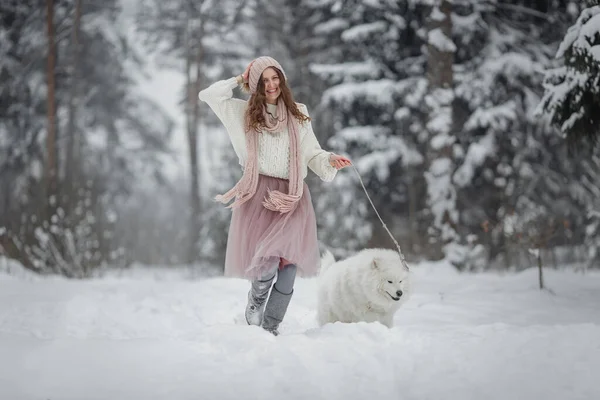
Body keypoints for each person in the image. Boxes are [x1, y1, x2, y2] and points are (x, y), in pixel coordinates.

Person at [198, 56, 351, 335]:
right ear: (255, 84)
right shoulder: (242, 113)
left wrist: (329, 161)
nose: (271, 85)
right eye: (264, 80)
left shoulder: (298, 114)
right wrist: (237, 79)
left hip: (292, 198)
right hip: (259, 195)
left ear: (282, 79)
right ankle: (255, 303)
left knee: (288, 270)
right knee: (266, 265)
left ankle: (270, 327)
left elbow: (312, 153)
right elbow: (208, 95)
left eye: (275, 78)